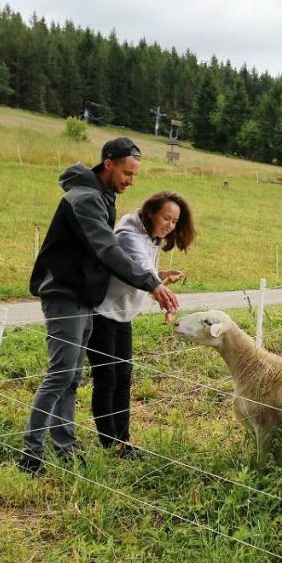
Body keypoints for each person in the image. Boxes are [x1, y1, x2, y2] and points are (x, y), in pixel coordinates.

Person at [19, 137, 179, 474]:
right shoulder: (87, 199)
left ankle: (66, 448)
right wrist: (152, 283)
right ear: (108, 164)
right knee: (60, 374)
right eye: (126, 172)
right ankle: (31, 453)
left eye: (134, 175)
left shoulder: (101, 196)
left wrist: (155, 275)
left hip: (83, 296)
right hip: (65, 293)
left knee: (72, 377)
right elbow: (108, 250)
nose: (130, 181)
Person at [88, 191, 196, 455]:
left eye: (174, 221)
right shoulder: (128, 235)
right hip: (102, 314)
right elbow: (140, 267)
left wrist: (161, 276)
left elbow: (142, 270)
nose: (170, 225)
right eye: (166, 218)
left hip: (123, 316)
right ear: (151, 213)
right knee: (107, 378)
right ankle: (110, 442)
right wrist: (158, 287)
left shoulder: (151, 239)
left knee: (124, 377)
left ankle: (122, 441)